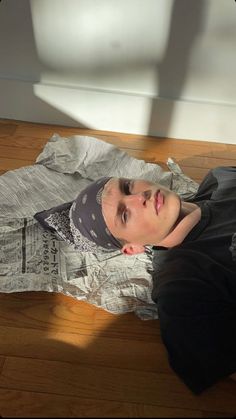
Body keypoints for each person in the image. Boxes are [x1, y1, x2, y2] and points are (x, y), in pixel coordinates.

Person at [34, 167, 236, 394]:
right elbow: (213, 363)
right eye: (124, 214)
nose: (141, 197)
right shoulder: (184, 290)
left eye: (128, 187)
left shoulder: (222, 178)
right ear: (131, 248)